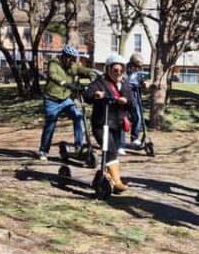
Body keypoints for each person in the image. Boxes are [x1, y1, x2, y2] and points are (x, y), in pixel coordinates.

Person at [84, 54, 133, 192]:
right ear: (108, 69)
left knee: (113, 152)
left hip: (117, 124)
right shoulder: (100, 82)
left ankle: (104, 179)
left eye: (121, 71)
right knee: (110, 150)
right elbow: (87, 95)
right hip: (101, 124)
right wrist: (96, 95)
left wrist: (126, 101)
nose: (118, 73)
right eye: (115, 70)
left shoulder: (124, 84)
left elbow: (131, 102)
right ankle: (117, 182)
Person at [38, 45, 95, 161]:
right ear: (64, 57)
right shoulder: (53, 63)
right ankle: (43, 150)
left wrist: (92, 79)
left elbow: (87, 71)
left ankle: (78, 147)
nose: (72, 62)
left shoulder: (74, 65)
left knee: (78, 117)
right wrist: (66, 84)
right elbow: (53, 75)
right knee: (50, 124)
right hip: (52, 100)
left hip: (66, 100)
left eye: (74, 59)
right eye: (71, 59)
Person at [120, 53, 150, 151]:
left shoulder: (138, 72)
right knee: (124, 119)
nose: (137, 68)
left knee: (138, 117)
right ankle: (121, 144)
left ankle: (134, 138)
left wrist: (144, 83)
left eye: (139, 67)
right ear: (131, 63)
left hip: (136, 96)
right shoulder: (124, 70)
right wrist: (127, 85)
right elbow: (120, 81)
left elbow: (141, 80)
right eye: (136, 66)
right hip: (125, 96)